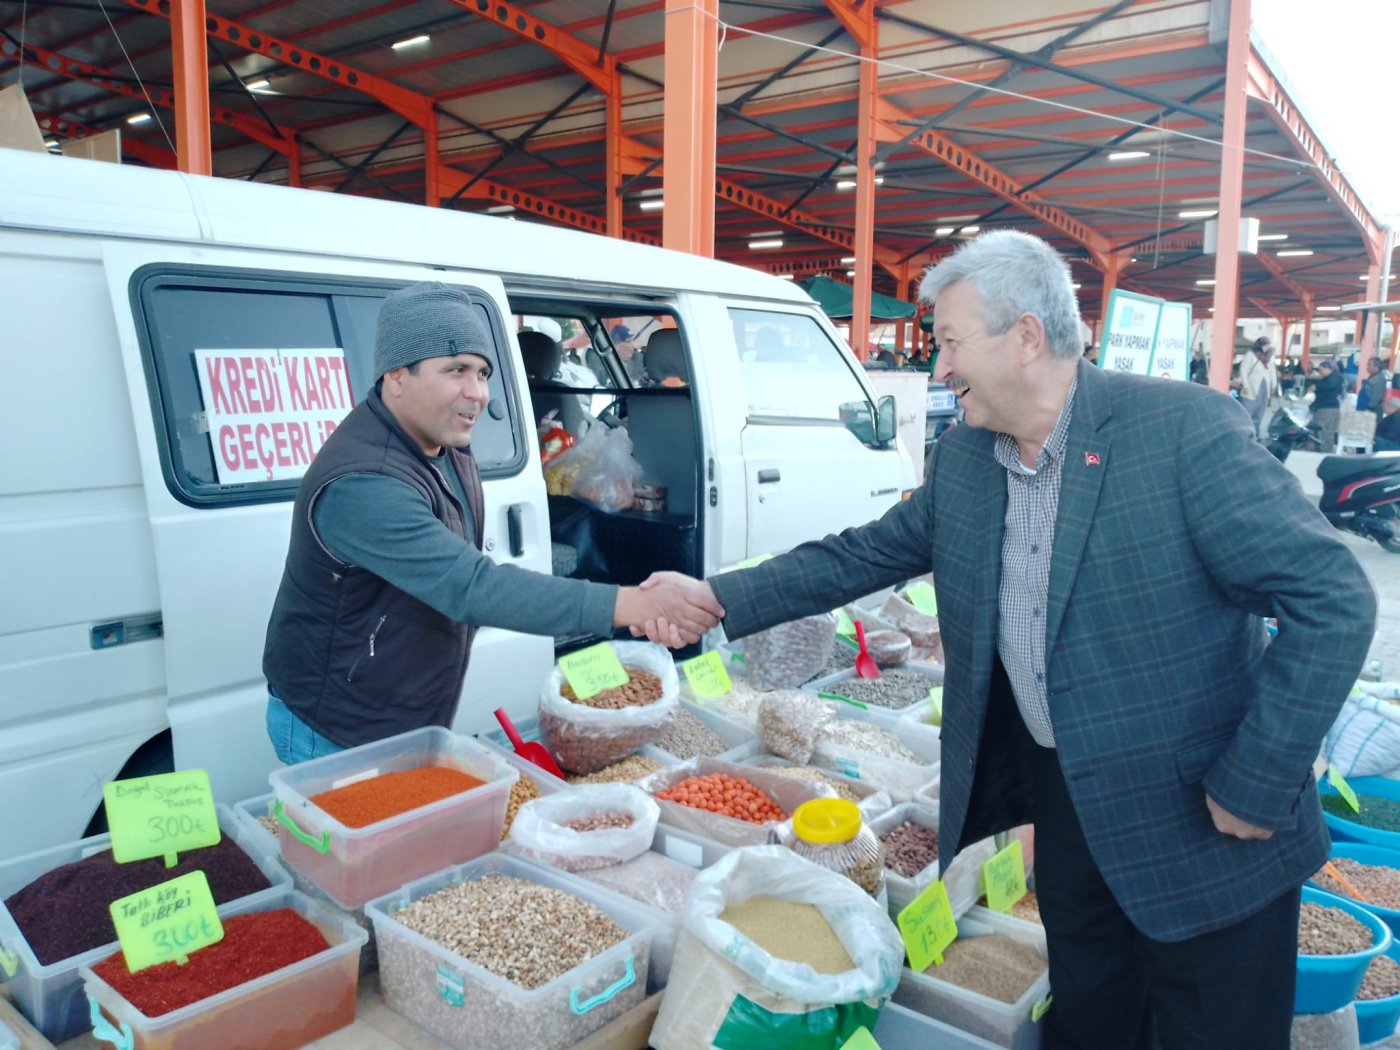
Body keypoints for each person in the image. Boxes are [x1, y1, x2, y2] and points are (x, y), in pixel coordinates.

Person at [636, 231, 1375, 1050]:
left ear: (1026, 336)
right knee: (1092, 1021)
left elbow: (1334, 599)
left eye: (949, 342)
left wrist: (1257, 780)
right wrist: (713, 597)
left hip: (1203, 828)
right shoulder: (967, 461)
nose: (939, 369)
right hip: (1068, 817)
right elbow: (862, 554)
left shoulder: (1180, 433)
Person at [262, 282, 724, 764]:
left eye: (483, 373)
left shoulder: (442, 445)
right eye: (455, 370)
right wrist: (634, 603)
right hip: (338, 725)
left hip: (394, 714)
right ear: (397, 375)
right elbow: (470, 587)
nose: (478, 393)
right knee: (349, 840)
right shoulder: (365, 482)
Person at [1237, 336, 1278, 438]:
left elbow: (1272, 371)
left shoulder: (1270, 357)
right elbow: (1244, 370)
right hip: (1251, 388)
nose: (1266, 348)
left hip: (1264, 387)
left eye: (1268, 345)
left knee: (1260, 411)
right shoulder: (1251, 355)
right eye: (1264, 345)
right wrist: (1246, 385)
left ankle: (1256, 433)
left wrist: (1274, 384)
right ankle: (1245, 433)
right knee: (1248, 411)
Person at [1309, 358, 1344, 453]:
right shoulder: (1328, 378)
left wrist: (1316, 387)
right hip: (1327, 407)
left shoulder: (1334, 378)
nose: (1320, 372)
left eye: (1321, 370)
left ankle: (1324, 451)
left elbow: (1329, 386)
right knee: (1326, 432)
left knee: (1324, 432)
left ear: (1329, 369)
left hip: (1327, 408)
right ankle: (1324, 450)